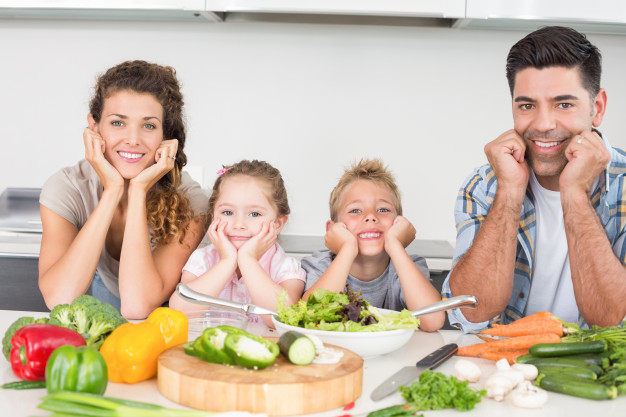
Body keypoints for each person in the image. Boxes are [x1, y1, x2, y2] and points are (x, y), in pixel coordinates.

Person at [442, 26, 626, 333]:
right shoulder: (485, 184)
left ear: (598, 108)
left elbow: (613, 323)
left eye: (563, 104)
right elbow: (470, 312)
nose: (543, 124)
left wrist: (575, 194)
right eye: (527, 105)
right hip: (505, 372)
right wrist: (510, 192)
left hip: (598, 376)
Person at [39, 60, 209, 319]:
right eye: (118, 123)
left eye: (149, 125)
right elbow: (59, 298)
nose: (133, 139)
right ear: (94, 127)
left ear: (165, 136)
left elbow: (138, 306)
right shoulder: (67, 187)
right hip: (104, 310)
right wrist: (112, 191)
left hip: (165, 319)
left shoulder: (191, 200)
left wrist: (138, 191)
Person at [301, 158, 445, 332]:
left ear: (398, 223)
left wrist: (395, 246)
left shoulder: (409, 266)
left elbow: (433, 321)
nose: (370, 216)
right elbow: (309, 317)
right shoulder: (318, 265)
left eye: (383, 210)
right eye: (355, 210)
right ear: (333, 229)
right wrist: (347, 249)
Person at [168, 160, 306, 325]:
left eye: (254, 214)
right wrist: (228, 261)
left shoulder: (286, 267)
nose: (238, 224)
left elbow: (283, 318)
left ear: (278, 224)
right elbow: (180, 312)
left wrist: (247, 259)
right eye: (227, 212)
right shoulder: (202, 260)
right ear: (213, 216)